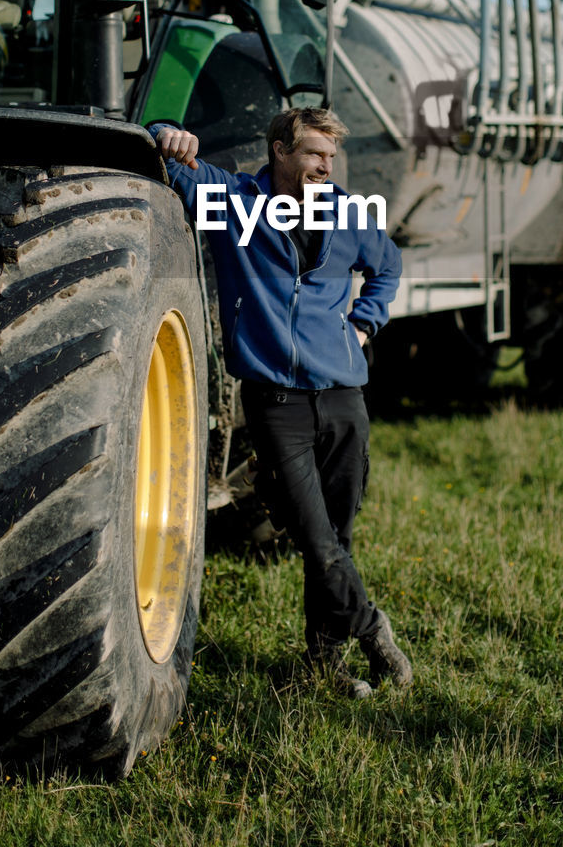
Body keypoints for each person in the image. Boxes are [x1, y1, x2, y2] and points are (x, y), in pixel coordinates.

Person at [149, 107, 412, 698]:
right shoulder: (234, 202)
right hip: (276, 402)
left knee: (336, 540)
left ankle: (322, 664)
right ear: (279, 152)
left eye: (331, 156)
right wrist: (163, 129)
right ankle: (372, 626)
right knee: (314, 539)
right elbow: (166, 161)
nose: (327, 165)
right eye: (316, 153)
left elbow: (388, 267)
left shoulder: (348, 212)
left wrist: (363, 327)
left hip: (344, 399)